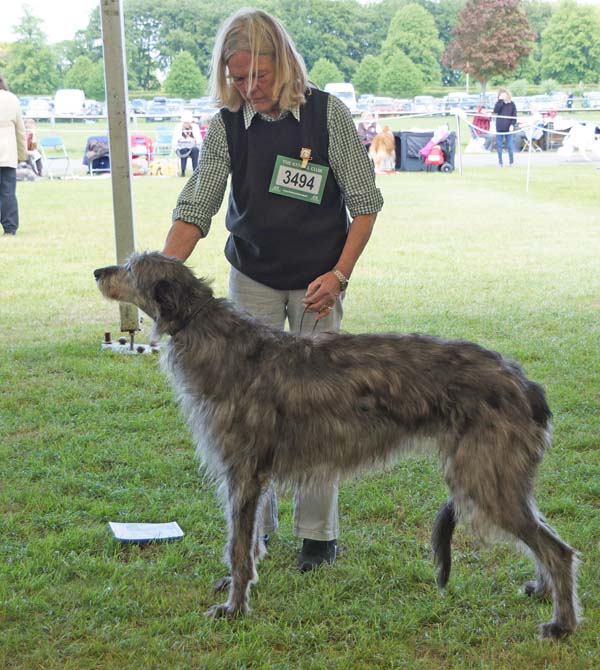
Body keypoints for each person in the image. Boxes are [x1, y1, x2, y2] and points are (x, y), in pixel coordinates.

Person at [162, 8, 383, 571]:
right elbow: (197, 207)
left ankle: (319, 534)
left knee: (321, 411)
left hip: (318, 283)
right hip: (253, 280)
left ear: (283, 64)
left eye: (258, 75)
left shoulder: (327, 114)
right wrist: (160, 271)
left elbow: (365, 204)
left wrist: (339, 275)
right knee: (242, 413)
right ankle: (253, 531)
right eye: (237, 78)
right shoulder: (227, 125)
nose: (249, 88)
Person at [0, 74, 28, 236]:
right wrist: (22, 154)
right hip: (7, 153)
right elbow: (20, 130)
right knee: (8, 191)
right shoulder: (12, 99)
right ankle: (10, 227)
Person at [171, 112, 202, 177]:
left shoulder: (195, 127)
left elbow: (199, 140)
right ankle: (183, 171)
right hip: (181, 147)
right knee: (183, 150)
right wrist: (177, 145)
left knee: (195, 150)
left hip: (193, 146)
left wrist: (194, 140)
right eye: (185, 122)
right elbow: (174, 141)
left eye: (188, 122)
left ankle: (195, 172)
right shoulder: (178, 127)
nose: (187, 124)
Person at [492, 88, 517, 167]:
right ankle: (500, 162)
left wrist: (512, 125)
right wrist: (500, 101)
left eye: (504, 94)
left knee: (509, 145)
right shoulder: (499, 103)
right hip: (499, 127)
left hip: (508, 128)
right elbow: (495, 111)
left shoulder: (512, 104)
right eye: (501, 95)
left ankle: (511, 162)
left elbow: (514, 116)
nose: (503, 96)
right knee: (499, 145)